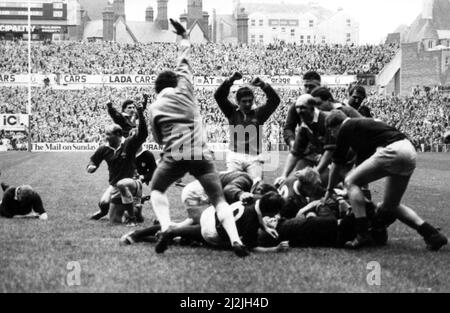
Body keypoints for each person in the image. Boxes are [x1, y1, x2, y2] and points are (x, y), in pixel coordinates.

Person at [148, 19, 248, 257]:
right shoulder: (185, 88)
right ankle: (235, 240)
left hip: (174, 153)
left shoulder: (154, 107)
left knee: (157, 190)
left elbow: (158, 138)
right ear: (175, 82)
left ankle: (165, 227)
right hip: (201, 153)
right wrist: (183, 36)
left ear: (157, 89)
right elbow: (184, 59)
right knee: (218, 198)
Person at [325, 110, 448, 250]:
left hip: (394, 149)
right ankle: (432, 234)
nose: (333, 136)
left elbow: (336, 163)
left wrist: (329, 190)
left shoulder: (346, 126)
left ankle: (362, 234)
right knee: (390, 206)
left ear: (334, 126)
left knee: (349, 181)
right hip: (409, 150)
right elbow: (361, 171)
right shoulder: (363, 128)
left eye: (332, 132)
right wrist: (354, 193)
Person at [153, 192, 289, 254]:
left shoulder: (256, 198)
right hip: (212, 232)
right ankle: (178, 236)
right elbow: (252, 247)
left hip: (211, 214)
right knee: (233, 244)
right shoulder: (251, 222)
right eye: (274, 213)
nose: (275, 216)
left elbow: (258, 211)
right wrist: (274, 249)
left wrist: (265, 227)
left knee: (191, 231)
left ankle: (171, 232)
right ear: (269, 212)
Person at [87, 98, 148, 226]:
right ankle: (104, 211)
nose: (106, 137)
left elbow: (143, 134)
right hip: (115, 184)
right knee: (106, 208)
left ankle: (135, 212)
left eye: (108, 135)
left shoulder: (128, 144)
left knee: (129, 208)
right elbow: (93, 161)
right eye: (105, 134)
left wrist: (141, 113)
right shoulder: (104, 149)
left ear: (118, 135)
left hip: (133, 181)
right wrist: (91, 166)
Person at [214, 71, 281, 181]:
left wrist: (263, 85)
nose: (248, 104)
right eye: (244, 101)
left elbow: (275, 101)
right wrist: (230, 80)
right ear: (237, 102)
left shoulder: (259, 114)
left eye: (250, 101)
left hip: (254, 157)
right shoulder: (231, 112)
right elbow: (219, 96)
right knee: (232, 186)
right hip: (235, 156)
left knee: (256, 187)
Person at [275, 95, 333, 186]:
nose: (299, 111)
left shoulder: (325, 120)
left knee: (323, 182)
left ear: (312, 108)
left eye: (302, 107)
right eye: (297, 107)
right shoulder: (304, 127)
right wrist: (284, 175)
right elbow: (295, 153)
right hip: (317, 156)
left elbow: (330, 150)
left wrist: (314, 172)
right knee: (299, 181)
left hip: (341, 159)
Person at [283, 71, 322, 150]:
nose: (308, 89)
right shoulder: (297, 105)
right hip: (306, 149)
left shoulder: (327, 103)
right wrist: (292, 142)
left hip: (326, 148)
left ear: (319, 87)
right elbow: (288, 128)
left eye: (311, 86)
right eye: (305, 86)